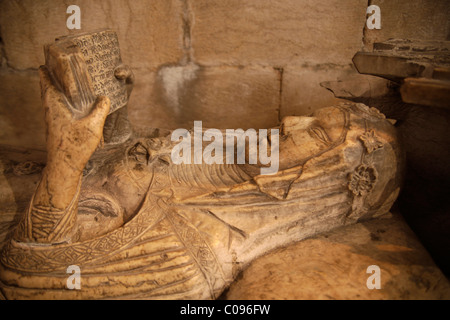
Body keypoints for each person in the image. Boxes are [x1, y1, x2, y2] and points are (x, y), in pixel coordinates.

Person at [0, 65, 403, 299]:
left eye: (314, 133)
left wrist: (66, 161)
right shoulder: (228, 157)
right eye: (311, 117)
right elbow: (124, 165)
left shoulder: (194, 254)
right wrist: (117, 115)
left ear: (323, 180)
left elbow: (31, 272)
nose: (290, 121)